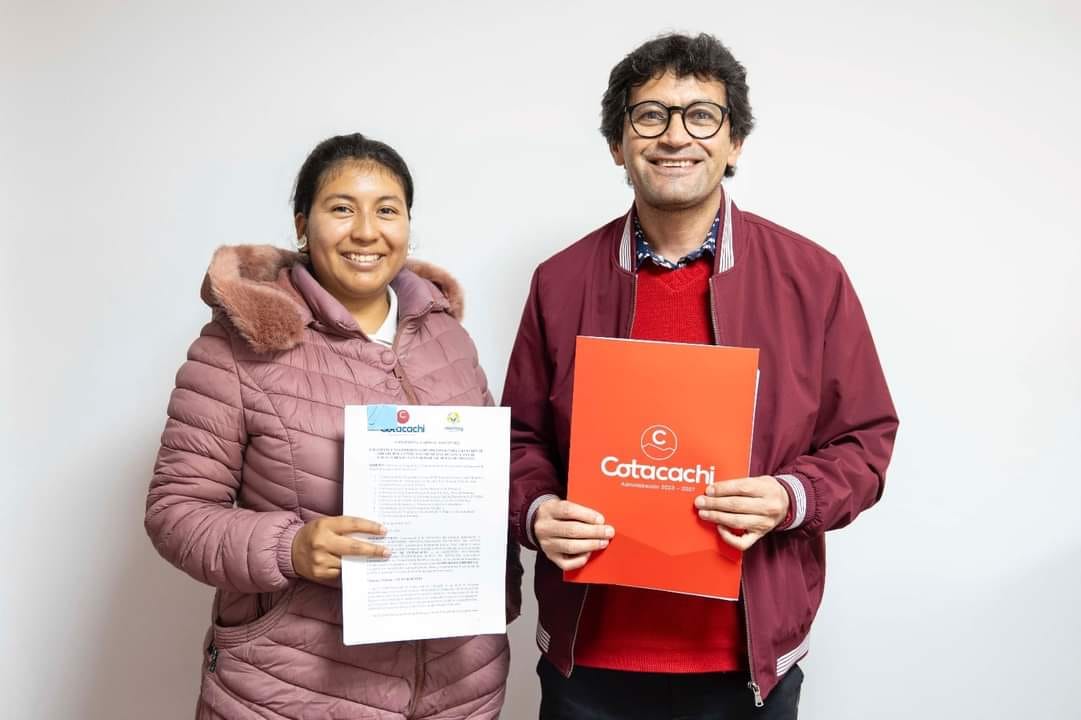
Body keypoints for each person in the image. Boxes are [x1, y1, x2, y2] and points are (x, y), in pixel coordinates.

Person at [503, 33, 898, 719]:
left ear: (734, 143)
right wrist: (537, 513)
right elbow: (518, 441)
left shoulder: (812, 278)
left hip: (745, 664)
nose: (674, 136)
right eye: (649, 115)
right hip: (588, 659)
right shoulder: (559, 280)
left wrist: (790, 497)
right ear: (617, 144)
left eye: (701, 116)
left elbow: (864, 441)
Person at [146, 133, 521, 719]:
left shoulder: (448, 336)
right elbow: (175, 511)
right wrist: (289, 548)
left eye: (387, 210)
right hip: (295, 691)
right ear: (303, 225)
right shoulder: (236, 349)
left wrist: (498, 586)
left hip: (458, 689)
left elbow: (488, 487)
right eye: (342, 208)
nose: (366, 232)